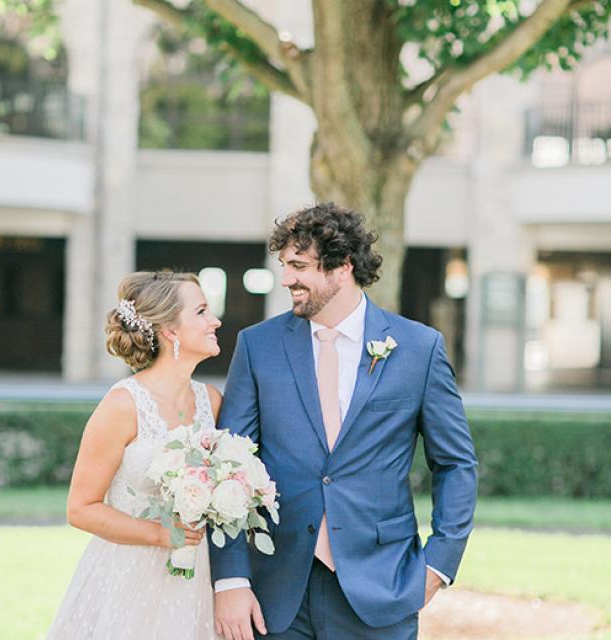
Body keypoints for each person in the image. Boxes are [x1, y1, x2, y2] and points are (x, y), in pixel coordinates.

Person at [211, 203, 478, 640]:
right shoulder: (258, 346)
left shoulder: (419, 348)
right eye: (284, 265)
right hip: (273, 590)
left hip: (382, 585)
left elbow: (456, 464)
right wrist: (231, 579)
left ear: (343, 267)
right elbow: (228, 467)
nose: (286, 279)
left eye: (299, 266)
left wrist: (437, 566)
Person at [48, 271, 222, 640]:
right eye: (202, 312)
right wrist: (160, 534)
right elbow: (81, 508)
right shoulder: (123, 405)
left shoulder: (212, 401)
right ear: (170, 331)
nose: (215, 321)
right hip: (129, 575)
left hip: (197, 577)